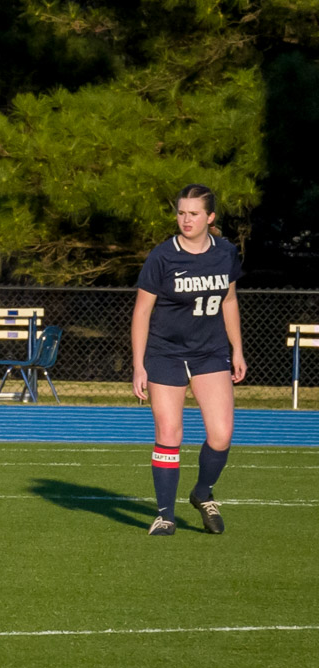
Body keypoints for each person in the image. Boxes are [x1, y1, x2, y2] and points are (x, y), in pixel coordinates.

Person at [131, 184, 246, 536]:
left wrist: (237, 349)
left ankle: (201, 492)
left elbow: (228, 301)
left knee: (222, 434)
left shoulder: (225, 253)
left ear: (210, 217)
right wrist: (139, 364)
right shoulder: (162, 257)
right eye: (181, 212)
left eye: (194, 213)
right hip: (165, 353)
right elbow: (141, 312)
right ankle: (165, 515)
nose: (186, 219)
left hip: (210, 353)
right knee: (169, 433)